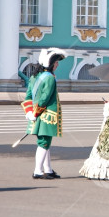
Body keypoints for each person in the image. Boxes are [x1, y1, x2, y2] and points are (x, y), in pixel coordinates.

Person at [22, 48, 66, 179]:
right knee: (44, 143)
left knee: (45, 143)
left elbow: (28, 97)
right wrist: (36, 113)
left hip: (36, 114)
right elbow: (44, 99)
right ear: (51, 63)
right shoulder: (50, 79)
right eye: (56, 62)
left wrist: (30, 112)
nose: (57, 65)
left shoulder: (35, 76)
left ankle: (48, 169)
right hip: (46, 115)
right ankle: (38, 171)